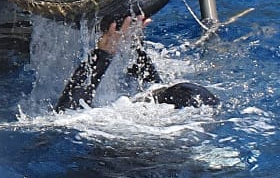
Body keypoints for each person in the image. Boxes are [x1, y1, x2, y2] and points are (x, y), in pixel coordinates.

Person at [57, 11, 219, 111]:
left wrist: (103, 55)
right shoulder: (189, 132)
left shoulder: (123, 129)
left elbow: (66, 116)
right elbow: (155, 89)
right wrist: (134, 47)